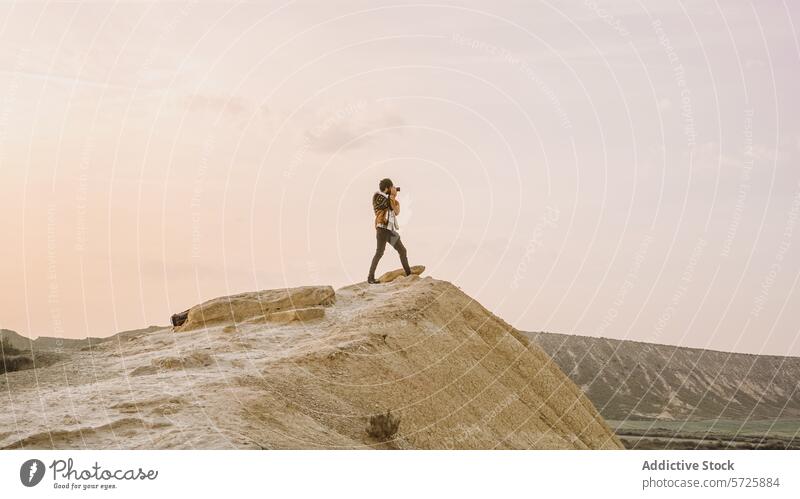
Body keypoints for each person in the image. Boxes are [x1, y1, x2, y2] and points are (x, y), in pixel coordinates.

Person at [367, 178, 412, 284]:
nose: (393, 189)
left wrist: (393, 197)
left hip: (390, 230)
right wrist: (392, 196)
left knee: (402, 250)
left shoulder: (392, 199)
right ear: (387, 188)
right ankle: (370, 277)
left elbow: (396, 211)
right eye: (392, 187)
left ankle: (409, 274)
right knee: (379, 252)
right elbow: (385, 205)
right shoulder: (377, 196)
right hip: (382, 228)